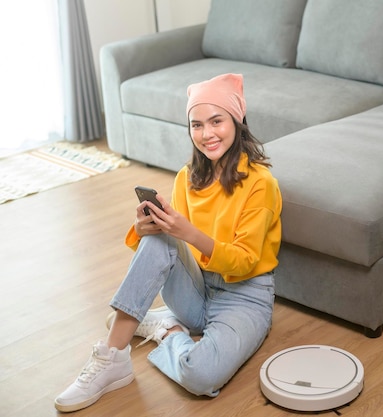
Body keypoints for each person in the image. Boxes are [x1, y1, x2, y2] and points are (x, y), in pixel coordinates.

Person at [55, 73, 282, 413]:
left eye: (216, 121)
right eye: (196, 125)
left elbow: (245, 261)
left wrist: (186, 232)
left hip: (245, 298)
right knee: (161, 238)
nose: (207, 134)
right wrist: (145, 228)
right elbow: (162, 256)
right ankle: (111, 358)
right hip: (197, 289)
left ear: (236, 119)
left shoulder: (260, 183)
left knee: (200, 376)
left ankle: (167, 328)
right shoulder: (186, 177)